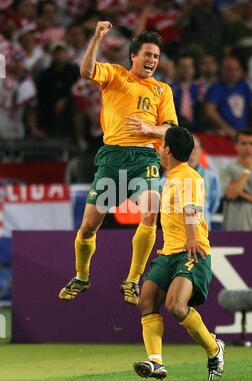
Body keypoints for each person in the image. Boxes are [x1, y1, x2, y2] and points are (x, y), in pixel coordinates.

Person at [58, 22, 178, 305]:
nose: (151, 61)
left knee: (150, 214)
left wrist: (150, 131)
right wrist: (97, 36)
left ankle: (133, 281)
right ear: (133, 56)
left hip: (145, 158)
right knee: (88, 227)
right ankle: (81, 276)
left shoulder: (162, 91)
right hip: (112, 158)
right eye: (147, 55)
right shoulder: (115, 75)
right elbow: (86, 71)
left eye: (156, 57)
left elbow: (171, 130)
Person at [133, 126, 224, 381]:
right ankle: (155, 362)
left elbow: (191, 208)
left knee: (175, 305)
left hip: (191, 251)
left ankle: (214, 348)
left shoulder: (189, 177)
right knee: (146, 300)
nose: (159, 150)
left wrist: (193, 239)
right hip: (168, 253)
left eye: (161, 146)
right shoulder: (170, 177)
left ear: (167, 150)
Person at [188, 135, 221, 229]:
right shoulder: (170, 175)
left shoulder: (211, 177)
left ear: (201, 150)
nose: (191, 151)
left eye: (194, 147)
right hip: (178, 231)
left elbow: (214, 204)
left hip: (203, 228)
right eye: (188, 147)